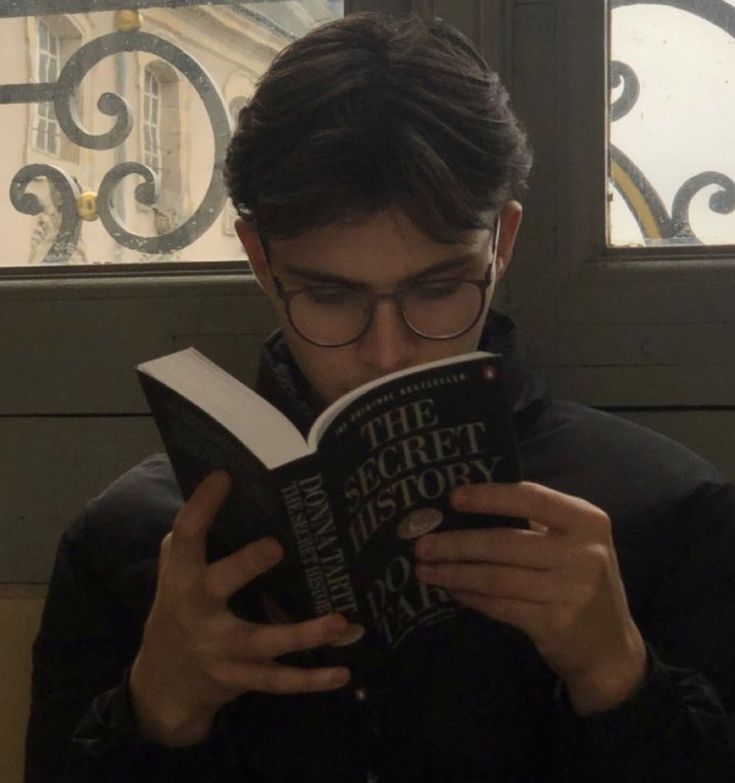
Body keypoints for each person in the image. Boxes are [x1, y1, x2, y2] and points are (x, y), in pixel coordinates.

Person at [25, 13, 735, 783]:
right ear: (261, 260)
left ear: (500, 245)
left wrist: (616, 676)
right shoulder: (127, 540)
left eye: (437, 289)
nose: (386, 351)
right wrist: (155, 709)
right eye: (329, 296)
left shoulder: (671, 511)